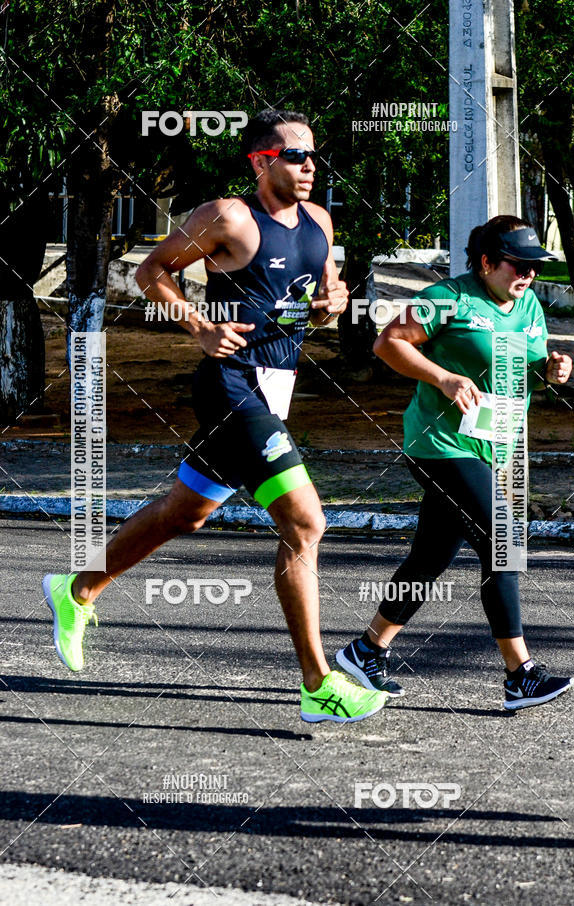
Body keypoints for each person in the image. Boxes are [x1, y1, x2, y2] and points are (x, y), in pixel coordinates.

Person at [42, 109, 388, 723]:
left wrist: (334, 304)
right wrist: (199, 325)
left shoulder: (321, 223)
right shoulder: (228, 217)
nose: (309, 167)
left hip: (275, 386)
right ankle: (318, 684)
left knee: (187, 512)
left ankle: (78, 589)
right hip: (229, 385)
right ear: (262, 161)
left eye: (313, 157)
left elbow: (320, 307)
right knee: (306, 523)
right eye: (295, 156)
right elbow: (153, 271)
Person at [336, 215, 574, 711]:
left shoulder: (527, 301)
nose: (529, 274)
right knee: (502, 539)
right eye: (519, 265)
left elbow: (521, 363)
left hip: (499, 446)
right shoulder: (450, 297)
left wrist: (552, 370)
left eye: (535, 267)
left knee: (431, 556)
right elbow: (388, 343)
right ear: (487, 262)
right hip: (441, 444)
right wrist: (444, 378)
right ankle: (520, 675)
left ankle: (368, 648)